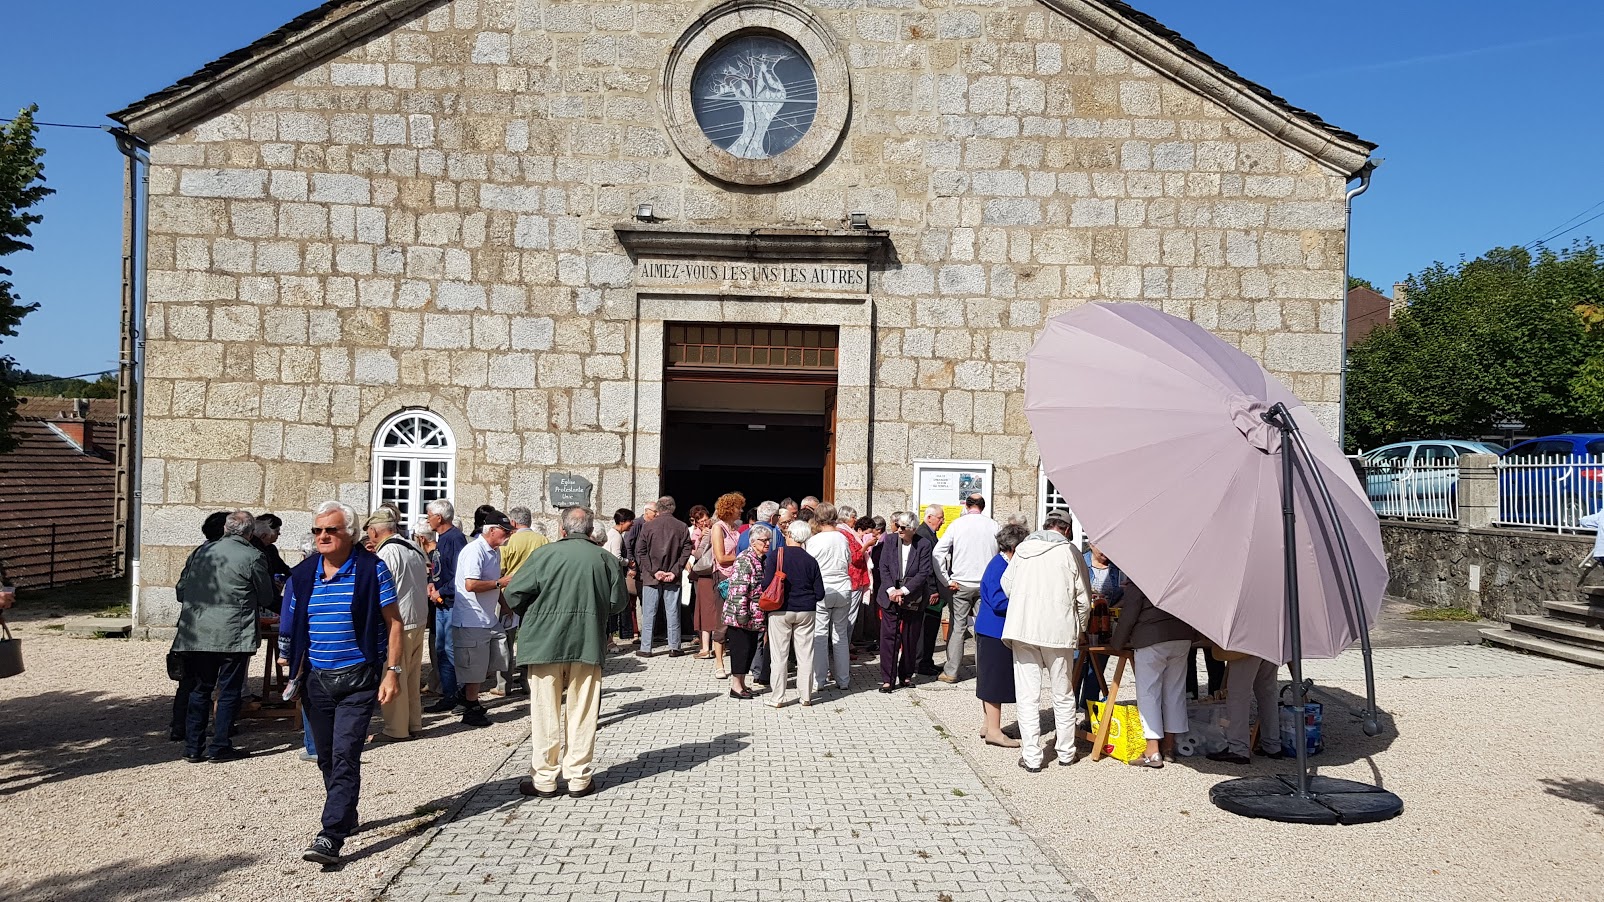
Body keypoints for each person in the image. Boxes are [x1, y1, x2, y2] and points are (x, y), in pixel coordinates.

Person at [283, 501, 404, 865]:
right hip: (316, 680)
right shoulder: (303, 574)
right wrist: (289, 662)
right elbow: (293, 622)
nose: (322, 536)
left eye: (331, 530)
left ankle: (330, 834)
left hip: (359, 678)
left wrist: (392, 672)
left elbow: (394, 623)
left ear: (349, 534)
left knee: (345, 754)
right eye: (317, 531)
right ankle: (347, 814)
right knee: (325, 757)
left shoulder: (372, 570)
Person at [505, 507, 628, 799]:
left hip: (544, 641)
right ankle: (578, 777)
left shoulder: (543, 555)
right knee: (583, 710)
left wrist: (535, 613)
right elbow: (619, 602)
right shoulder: (605, 559)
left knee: (545, 710)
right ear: (589, 531)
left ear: (562, 529)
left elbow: (514, 594)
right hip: (586, 639)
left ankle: (545, 778)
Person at [172, 510, 275, 763]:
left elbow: (181, 590)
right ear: (250, 533)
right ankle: (220, 745)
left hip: (197, 633)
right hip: (233, 633)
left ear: (227, 529)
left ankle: (193, 747)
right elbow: (266, 597)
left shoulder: (200, 553)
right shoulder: (252, 556)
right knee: (228, 690)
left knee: (200, 689)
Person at [1001, 509, 1093, 773]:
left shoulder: (1022, 550)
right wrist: (1082, 628)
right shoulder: (1071, 552)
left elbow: (1006, 584)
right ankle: (1066, 752)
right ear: (1065, 529)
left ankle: (1032, 757)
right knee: (1063, 694)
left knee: (1027, 695)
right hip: (1058, 630)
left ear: (1046, 526)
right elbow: (1083, 599)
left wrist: (1024, 602)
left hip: (1023, 627)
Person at [1109, 579, 1197, 769]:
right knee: (1175, 692)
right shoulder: (1178, 572)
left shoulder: (1141, 576)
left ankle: (1152, 750)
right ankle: (1169, 747)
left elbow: (1129, 614)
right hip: (1181, 635)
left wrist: (1116, 643)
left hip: (1151, 637)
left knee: (1149, 693)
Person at [366, 509, 431, 742]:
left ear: (374, 530)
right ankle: (414, 723)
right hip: (418, 618)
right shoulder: (412, 547)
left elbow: (382, 588)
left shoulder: (387, 552)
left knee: (394, 673)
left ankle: (395, 729)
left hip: (399, 621)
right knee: (411, 676)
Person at [168, 511, 232, 742]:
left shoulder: (198, 553)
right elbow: (181, 591)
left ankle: (181, 726)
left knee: (191, 680)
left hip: (191, 625)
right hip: (206, 626)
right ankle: (191, 727)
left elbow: (181, 590)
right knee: (200, 681)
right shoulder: (216, 555)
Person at [453, 509, 515, 727]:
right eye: (505, 531)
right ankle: (470, 707)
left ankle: (467, 698)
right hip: (471, 619)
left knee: (495, 660)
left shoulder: (494, 550)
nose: (508, 535)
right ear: (491, 530)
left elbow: (493, 581)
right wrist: (500, 583)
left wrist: (504, 605)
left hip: (487, 618)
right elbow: (471, 584)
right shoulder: (474, 551)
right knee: (475, 668)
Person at [933, 494, 998, 683]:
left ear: (966, 505)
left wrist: (945, 579)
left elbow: (938, 552)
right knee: (983, 628)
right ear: (983, 507)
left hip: (960, 584)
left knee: (958, 627)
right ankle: (984, 672)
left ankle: (952, 671)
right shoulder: (993, 525)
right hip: (984, 584)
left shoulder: (957, 525)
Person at [760, 520, 825, 708]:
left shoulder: (775, 555)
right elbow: (820, 593)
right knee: (805, 655)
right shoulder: (811, 561)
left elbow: (766, 585)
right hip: (806, 610)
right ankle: (806, 696)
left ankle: (777, 698)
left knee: (779, 655)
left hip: (780, 610)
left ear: (790, 535)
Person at [976, 523, 1028, 748]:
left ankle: (989, 724)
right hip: (994, 630)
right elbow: (999, 602)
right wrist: (1024, 602)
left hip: (991, 629)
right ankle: (995, 731)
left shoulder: (1001, 563)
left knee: (989, 678)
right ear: (1014, 547)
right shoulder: (999, 566)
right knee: (994, 681)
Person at [490, 506, 547, 697]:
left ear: (513, 522)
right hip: (535, 596)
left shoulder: (508, 541)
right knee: (529, 640)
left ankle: (503, 684)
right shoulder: (543, 541)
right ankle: (527, 680)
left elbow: (501, 569)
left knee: (505, 640)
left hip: (510, 596)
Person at [876, 511, 933, 693]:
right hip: (890, 595)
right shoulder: (891, 541)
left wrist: (904, 591)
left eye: (903, 527)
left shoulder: (923, 544)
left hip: (913, 597)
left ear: (913, 529)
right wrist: (892, 590)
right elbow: (883, 567)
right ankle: (888, 679)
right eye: (897, 526)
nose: (899, 530)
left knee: (910, 637)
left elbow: (923, 572)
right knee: (889, 638)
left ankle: (906, 675)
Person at [633, 495, 692, 657]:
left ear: (658, 508)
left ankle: (646, 648)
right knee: (672, 611)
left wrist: (653, 570)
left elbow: (641, 551)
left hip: (651, 577)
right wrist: (675, 570)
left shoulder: (647, 527)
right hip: (673, 576)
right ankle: (674, 647)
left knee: (649, 612)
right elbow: (687, 550)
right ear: (673, 508)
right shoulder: (682, 527)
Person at [806, 501, 854, 692]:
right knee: (841, 636)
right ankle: (844, 680)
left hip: (823, 589)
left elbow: (810, 568)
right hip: (843, 587)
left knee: (820, 635)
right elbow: (848, 561)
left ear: (817, 519)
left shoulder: (814, 540)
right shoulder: (843, 538)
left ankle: (820, 680)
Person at [424, 499, 467, 713]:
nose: (427, 519)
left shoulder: (455, 539)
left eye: (429, 515)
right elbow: (439, 569)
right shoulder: (442, 539)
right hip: (441, 604)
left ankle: (460, 695)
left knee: (451, 650)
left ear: (439, 517)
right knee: (441, 649)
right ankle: (449, 694)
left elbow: (460, 573)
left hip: (451, 603)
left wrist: (442, 590)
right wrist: (432, 584)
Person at [722, 524, 772, 699]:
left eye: (769, 540)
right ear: (753, 542)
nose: (767, 543)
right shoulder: (745, 559)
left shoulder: (761, 558)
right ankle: (736, 687)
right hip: (741, 616)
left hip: (754, 615)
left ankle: (742, 684)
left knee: (749, 649)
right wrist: (742, 614)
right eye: (763, 540)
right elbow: (739, 589)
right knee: (740, 650)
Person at [1208, 653, 1285, 764]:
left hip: (1245, 646)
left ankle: (1238, 748)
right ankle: (1272, 745)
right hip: (1269, 644)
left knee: (1238, 694)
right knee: (1268, 693)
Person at [1076, 543, 1123, 714]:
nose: (1106, 552)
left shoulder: (1117, 567)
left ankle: (1089, 711)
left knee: (1096, 671)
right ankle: (1068, 714)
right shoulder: (1080, 562)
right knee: (1076, 669)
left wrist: (1109, 608)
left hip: (1104, 625)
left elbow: (1125, 594)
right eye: (1101, 547)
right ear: (1091, 544)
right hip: (1081, 625)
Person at [708, 492, 744, 677]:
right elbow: (721, 557)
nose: (741, 510)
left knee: (738, 620)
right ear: (730, 509)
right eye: (738, 507)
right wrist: (742, 557)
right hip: (722, 577)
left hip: (736, 577)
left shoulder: (736, 529)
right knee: (722, 620)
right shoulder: (718, 528)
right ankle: (719, 664)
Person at [914, 504, 949, 676]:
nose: (942, 521)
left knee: (931, 628)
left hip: (931, 591)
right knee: (926, 629)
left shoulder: (929, 533)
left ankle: (926, 660)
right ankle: (921, 663)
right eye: (940, 518)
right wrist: (934, 590)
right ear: (929, 518)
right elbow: (926, 567)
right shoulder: (924, 535)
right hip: (929, 592)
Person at [687, 504, 720, 660]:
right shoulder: (728, 532)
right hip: (715, 572)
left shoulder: (711, 532)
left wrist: (698, 543)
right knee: (715, 608)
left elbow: (699, 553)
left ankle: (706, 648)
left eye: (706, 520)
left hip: (706, 573)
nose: (704, 523)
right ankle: (716, 646)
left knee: (706, 610)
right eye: (701, 521)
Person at [252, 513, 294, 585]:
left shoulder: (271, 549)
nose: (279, 534)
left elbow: (282, 567)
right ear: (264, 534)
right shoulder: (252, 549)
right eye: (277, 531)